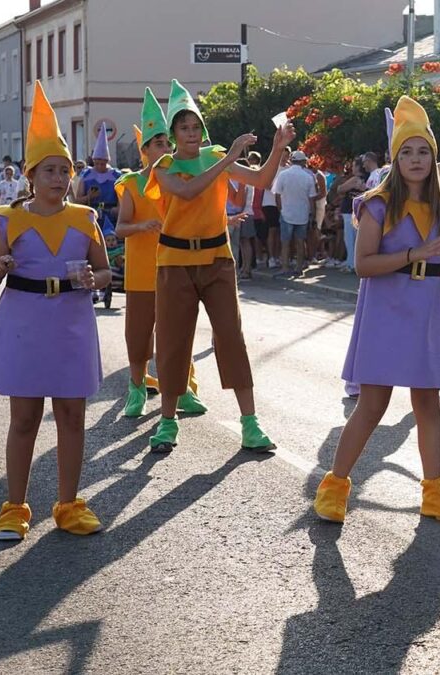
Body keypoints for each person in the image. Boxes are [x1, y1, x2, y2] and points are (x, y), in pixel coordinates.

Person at [311, 96, 440, 524]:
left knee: (428, 404)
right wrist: (413, 253)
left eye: (423, 150)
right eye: (406, 151)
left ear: (433, 157)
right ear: (395, 158)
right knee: (373, 406)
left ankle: (433, 491)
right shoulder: (376, 203)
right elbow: (363, 265)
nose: (416, 158)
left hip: (425, 311)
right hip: (385, 311)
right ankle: (334, 486)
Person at [0, 82, 110, 540]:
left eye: (65, 170)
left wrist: (98, 280)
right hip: (25, 321)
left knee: (73, 414)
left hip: (71, 321)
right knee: (25, 418)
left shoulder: (84, 219)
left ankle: (69, 504)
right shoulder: (10, 219)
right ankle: (15, 507)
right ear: (31, 175)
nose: (59, 178)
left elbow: (105, 271)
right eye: (50, 170)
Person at [143, 79, 293, 454]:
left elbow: (260, 179)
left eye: (195, 127)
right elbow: (188, 191)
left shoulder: (216, 156)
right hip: (175, 262)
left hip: (217, 260)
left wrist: (277, 148)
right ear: (173, 133)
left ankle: (250, 423)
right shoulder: (164, 164)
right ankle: (166, 422)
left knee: (231, 336)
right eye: (183, 128)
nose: (191, 134)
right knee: (174, 342)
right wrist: (228, 159)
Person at [114, 91, 207, 419]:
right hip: (142, 273)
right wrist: (143, 226)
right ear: (144, 151)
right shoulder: (131, 184)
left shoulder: (183, 178)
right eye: (157, 144)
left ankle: (184, 391)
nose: (165, 149)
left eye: (167, 143)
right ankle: (137, 388)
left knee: (179, 336)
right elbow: (120, 229)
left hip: (178, 269)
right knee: (139, 337)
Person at [272, 150, 317, 277]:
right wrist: (312, 214)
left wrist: (280, 209)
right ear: (303, 162)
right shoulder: (308, 177)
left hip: (286, 212)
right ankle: (298, 268)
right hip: (302, 214)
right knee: (300, 242)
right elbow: (311, 198)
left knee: (285, 242)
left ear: (291, 161)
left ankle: (285, 267)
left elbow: (277, 194)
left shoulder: (283, 175)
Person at [76, 124, 122, 222]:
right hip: (92, 215)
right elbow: (78, 200)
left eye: (102, 164)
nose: (100, 166)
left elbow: (122, 198)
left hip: (111, 217)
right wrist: (89, 197)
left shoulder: (116, 176)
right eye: (97, 163)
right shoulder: (86, 175)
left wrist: (118, 209)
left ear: (107, 162)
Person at [335, 157, 368, 274]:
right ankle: (353, 262)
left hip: (350, 211)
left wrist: (346, 186)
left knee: (349, 238)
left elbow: (340, 189)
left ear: (358, 167)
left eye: (354, 166)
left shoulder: (356, 179)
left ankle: (351, 263)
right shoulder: (367, 178)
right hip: (358, 212)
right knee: (355, 238)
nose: (352, 168)